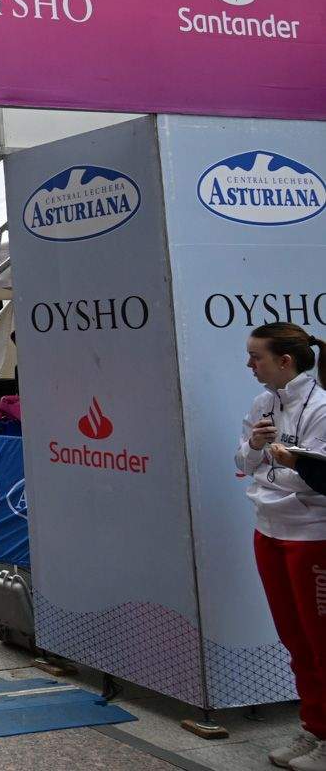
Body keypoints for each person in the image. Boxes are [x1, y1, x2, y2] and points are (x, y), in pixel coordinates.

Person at [237, 322, 326, 771]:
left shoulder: (323, 407)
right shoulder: (263, 402)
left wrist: (280, 461)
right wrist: (255, 447)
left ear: (284, 360)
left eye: (257, 357)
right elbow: (241, 463)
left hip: (313, 536)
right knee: (294, 639)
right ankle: (313, 727)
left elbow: (317, 479)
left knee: (320, 641)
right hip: (268, 530)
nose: (250, 365)